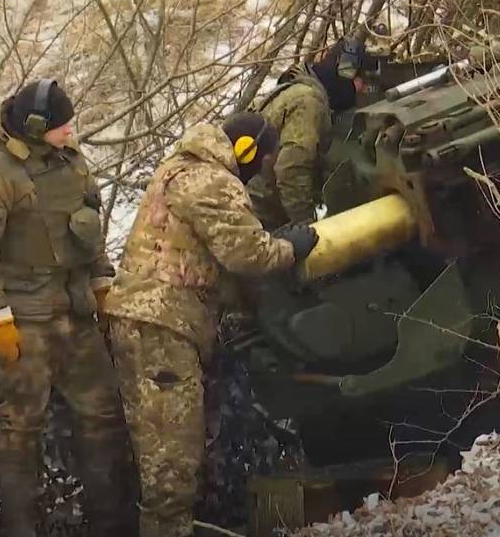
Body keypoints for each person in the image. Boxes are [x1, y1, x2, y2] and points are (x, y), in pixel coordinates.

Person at [103, 111, 319, 537]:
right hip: (163, 329)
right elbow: (248, 255)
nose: (264, 171)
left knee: (164, 458)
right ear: (247, 151)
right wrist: (291, 247)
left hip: (151, 323)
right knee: (171, 468)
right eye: (265, 160)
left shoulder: (178, 169)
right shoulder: (212, 182)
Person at [0, 79, 137, 537]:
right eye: (62, 126)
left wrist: (103, 288)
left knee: (104, 417)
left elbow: (91, 231)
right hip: (25, 322)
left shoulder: (72, 162)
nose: (71, 131)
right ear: (36, 127)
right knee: (21, 428)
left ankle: (112, 525)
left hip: (75, 316)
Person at [246, 38, 366, 230]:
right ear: (345, 73)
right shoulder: (309, 101)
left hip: (254, 204)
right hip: (259, 215)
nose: (360, 90)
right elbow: (291, 171)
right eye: (359, 83)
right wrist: (307, 227)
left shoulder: (299, 87)